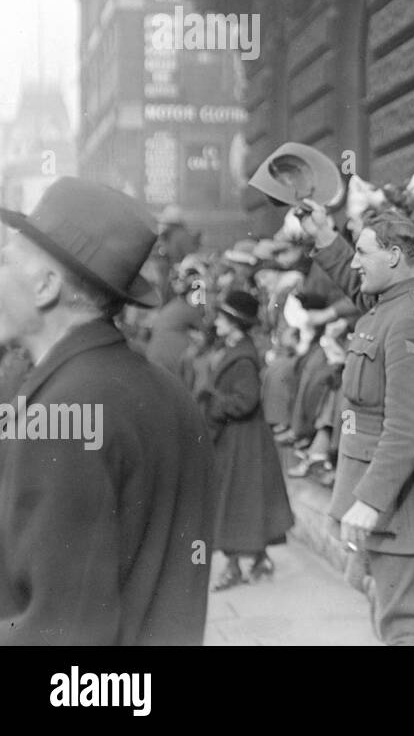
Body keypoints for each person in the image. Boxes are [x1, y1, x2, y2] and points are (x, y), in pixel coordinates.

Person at [0, 178, 213, 644]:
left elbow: (58, 631)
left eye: (4, 261)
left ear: (45, 286)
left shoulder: (60, 416)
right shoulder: (168, 393)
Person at [298, 202, 414, 645]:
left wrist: (370, 501)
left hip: (401, 504)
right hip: (393, 499)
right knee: (405, 616)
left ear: (393, 256)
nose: (354, 263)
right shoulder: (395, 302)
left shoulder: (411, 318)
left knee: (407, 629)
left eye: (362, 253)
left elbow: (408, 427)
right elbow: (360, 287)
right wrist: (322, 236)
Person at [197, 290, 294, 591]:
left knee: (234, 504)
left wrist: (214, 402)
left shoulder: (242, 358)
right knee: (246, 503)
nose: (218, 323)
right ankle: (258, 560)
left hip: (242, 440)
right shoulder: (238, 349)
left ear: (235, 323)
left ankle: (234, 567)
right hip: (242, 439)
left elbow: (246, 400)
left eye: (224, 319)